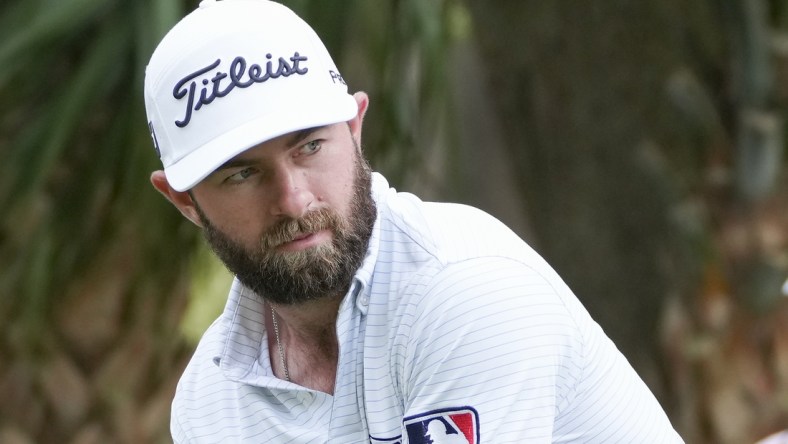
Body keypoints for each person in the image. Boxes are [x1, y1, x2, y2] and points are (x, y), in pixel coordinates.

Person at [144, 0, 684, 442]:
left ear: (355, 127)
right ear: (184, 201)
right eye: (242, 175)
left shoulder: (464, 287)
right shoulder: (209, 400)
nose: (293, 199)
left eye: (310, 146)